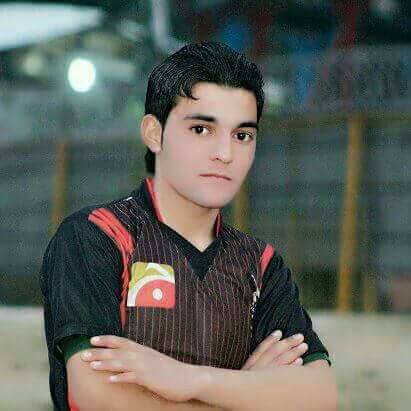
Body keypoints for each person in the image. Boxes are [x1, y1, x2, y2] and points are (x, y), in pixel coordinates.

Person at [39, 42, 335, 411]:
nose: (224, 153)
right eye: (200, 129)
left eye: (242, 135)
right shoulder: (97, 236)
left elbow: (320, 396)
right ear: (154, 132)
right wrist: (245, 393)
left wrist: (189, 379)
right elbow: (96, 395)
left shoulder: (261, 265)